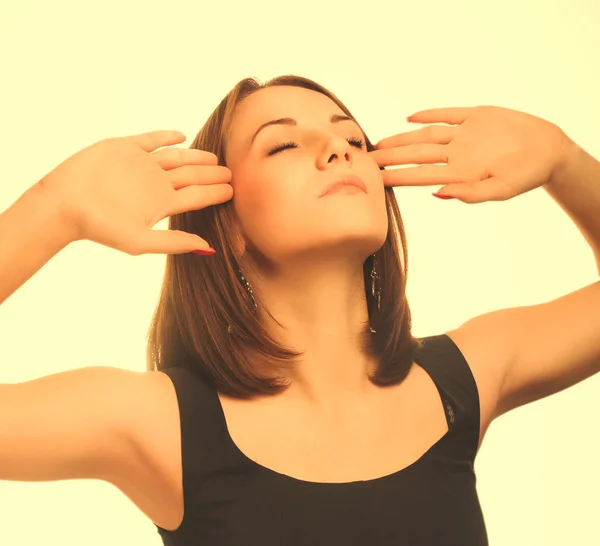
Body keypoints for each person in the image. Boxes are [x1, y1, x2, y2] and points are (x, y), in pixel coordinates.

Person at [1, 75, 597, 546]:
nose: (337, 149)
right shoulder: (161, 424)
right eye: (284, 143)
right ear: (226, 222)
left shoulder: (465, 376)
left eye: (354, 140)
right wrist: (53, 210)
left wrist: (566, 162)